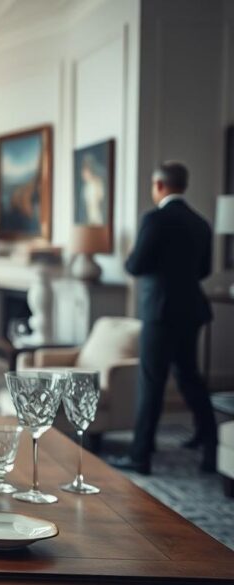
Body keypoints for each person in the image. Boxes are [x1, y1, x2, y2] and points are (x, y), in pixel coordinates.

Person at [108, 161, 216, 475]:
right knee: (189, 376)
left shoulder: (154, 219)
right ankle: (210, 443)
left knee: (152, 382)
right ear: (184, 184)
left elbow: (135, 265)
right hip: (192, 310)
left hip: (160, 311)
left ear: (158, 186)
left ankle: (140, 456)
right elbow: (204, 270)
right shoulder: (201, 222)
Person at [80, 154, 106, 225]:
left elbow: (100, 199)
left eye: (85, 170)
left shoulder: (98, 183)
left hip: (98, 218)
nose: (83, 173)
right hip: (90, 219)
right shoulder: (86, 186)